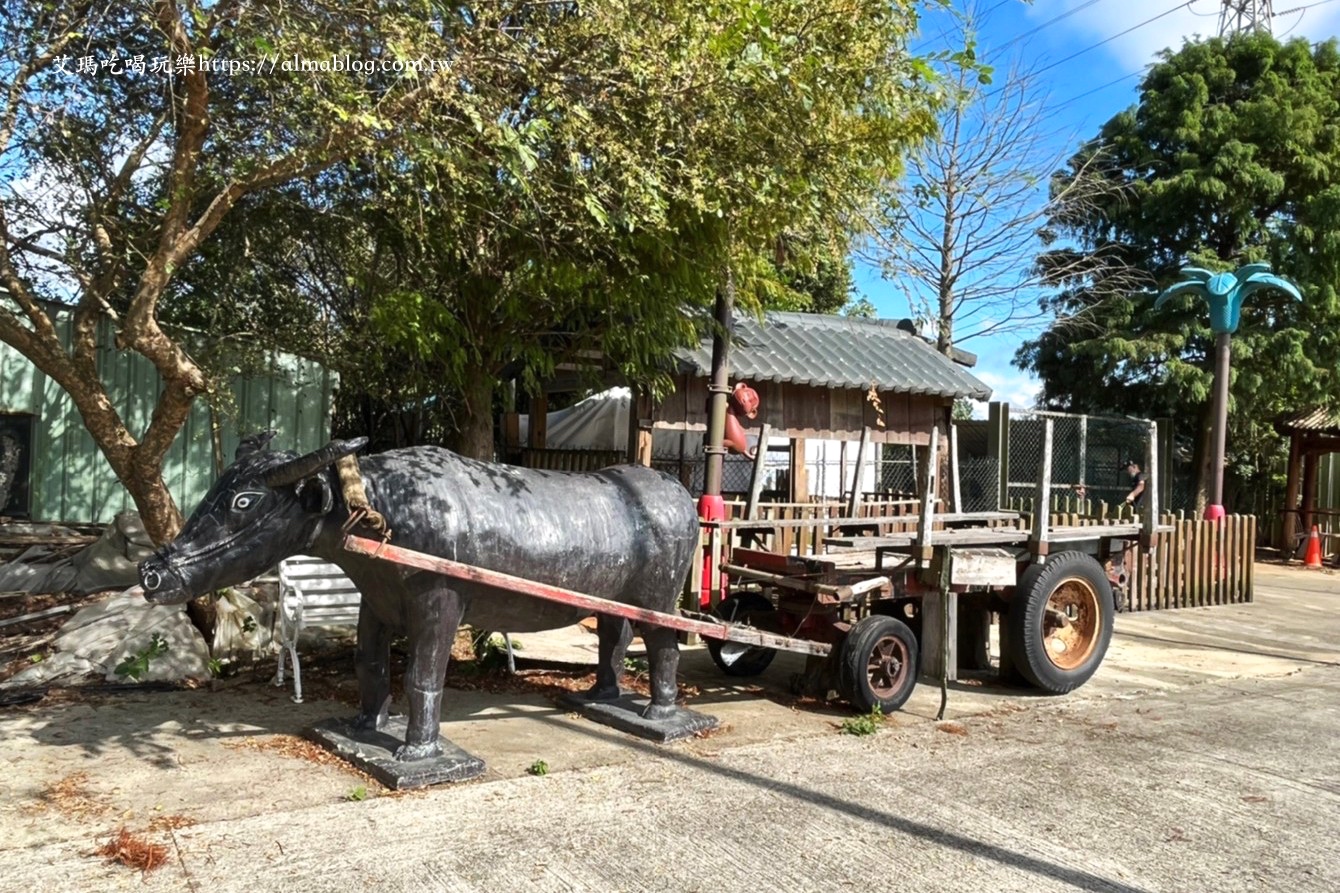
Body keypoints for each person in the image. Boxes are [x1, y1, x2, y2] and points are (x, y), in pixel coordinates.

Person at [722, 382, 760, 460]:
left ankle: (717, 442)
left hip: (736, 443)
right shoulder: (732, 414)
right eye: (747, 394)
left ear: (752, 413)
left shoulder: (730, 411)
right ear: (741, 386)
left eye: (750, 401)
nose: (745, 400)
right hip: (738, 443)